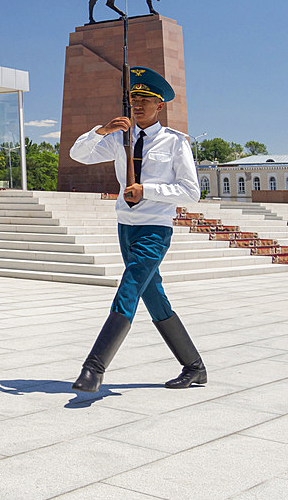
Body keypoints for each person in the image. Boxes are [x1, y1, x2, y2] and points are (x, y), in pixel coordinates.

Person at [68, 66, 206, 392]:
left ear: (160, 105)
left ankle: (94, 368)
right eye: (134, 99)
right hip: (126, 226)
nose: (138, 105)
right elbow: (78, 155)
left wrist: (149, 191)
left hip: (155, 228)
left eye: (145, 99)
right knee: (153, 296)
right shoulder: (119, 138)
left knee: (129, 288)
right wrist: (100, 131)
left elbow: (191, 192)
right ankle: (194, 366)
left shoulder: (175, 142)